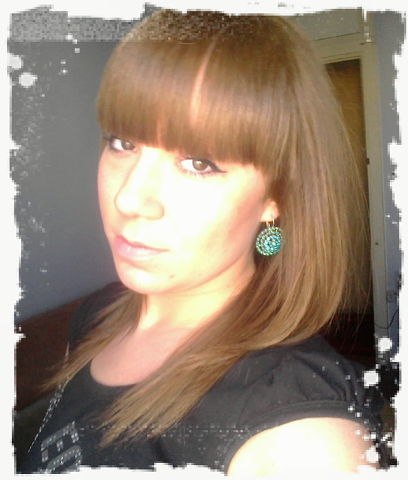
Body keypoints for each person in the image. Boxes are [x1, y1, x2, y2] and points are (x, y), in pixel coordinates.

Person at [19, 9, 386, 475]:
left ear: (275, 198)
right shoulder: (97, 317)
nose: (129, 199)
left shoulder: (296, 431)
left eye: (198, 163)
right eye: (122, 143)